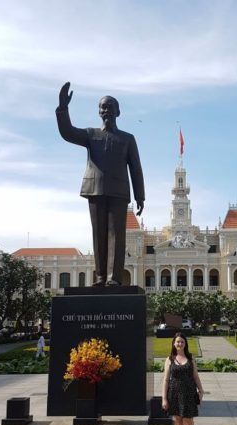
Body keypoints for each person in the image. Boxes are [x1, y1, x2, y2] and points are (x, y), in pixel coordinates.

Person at [56, 82, 145, 286]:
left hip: (119, 191)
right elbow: (68, 132)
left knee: (117, 235)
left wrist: (140, 195)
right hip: (95, 190)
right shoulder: (90, 134)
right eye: (103, 107)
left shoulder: (127, 139)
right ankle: (100, 277)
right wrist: (63, 109)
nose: (106, 111)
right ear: (99, 112)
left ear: (118, 112)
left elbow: (136, 168)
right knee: (99, 234)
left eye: (110, 107)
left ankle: (114, 278)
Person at [162, 332, 204, 425]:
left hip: (189, 394)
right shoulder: (169, 359)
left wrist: (201, 390)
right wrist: (164, 398)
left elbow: (195, 376)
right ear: (174, 344)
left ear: (185, 344)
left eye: (182, 342)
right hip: (174, 395)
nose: (179, 344)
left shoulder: (191, 358)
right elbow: (166, 380)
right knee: (178, 423)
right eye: (177, 342)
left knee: (189, 423)